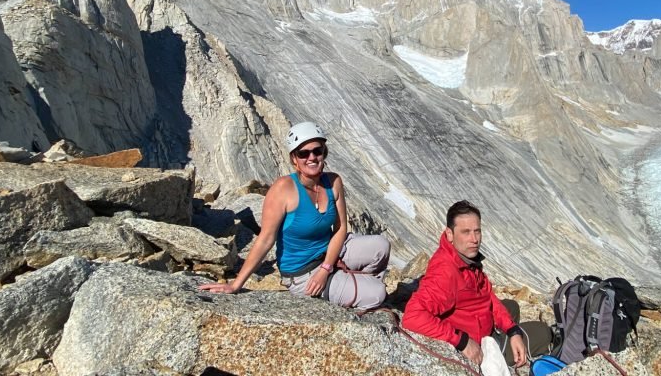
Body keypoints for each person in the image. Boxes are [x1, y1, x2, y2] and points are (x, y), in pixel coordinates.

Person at [199, 121, 389, 309]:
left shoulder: (333, 182)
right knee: (377, 294)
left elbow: (340, 229)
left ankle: (346, 280)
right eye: (303, 153)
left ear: (324, 153)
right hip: (302, 272)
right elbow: (266, 239)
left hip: (329, 254)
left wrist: (326, 267)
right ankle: (352, 287)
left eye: (317, 151)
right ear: (294, 159)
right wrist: (236, 284)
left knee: (381, 246)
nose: (312, 157)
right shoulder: (283, 189)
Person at [402, 200, 553, 368]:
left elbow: (487, 297)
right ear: (450, 234)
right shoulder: (445, 272)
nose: (474, 239)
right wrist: (462, 341)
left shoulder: (465, 258)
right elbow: (412, 316)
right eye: (466, 232)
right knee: (544, 332)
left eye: (477, 231)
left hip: (476, 321)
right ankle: (505, 350)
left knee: (511, 306)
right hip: (477, 343)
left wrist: (512, 330)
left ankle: (509, 337)